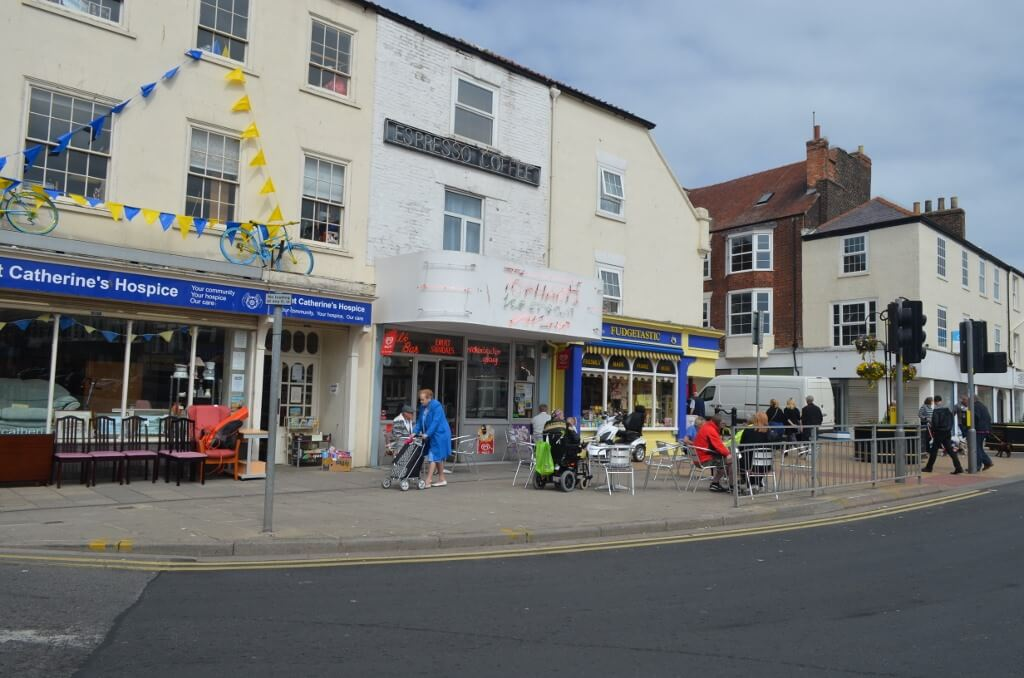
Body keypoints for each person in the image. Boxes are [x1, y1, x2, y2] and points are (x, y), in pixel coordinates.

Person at [413, 388, 452, 488]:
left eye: (423, 400)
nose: (421, 402)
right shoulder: (423, 407)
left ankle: (428, 480)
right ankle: (442, 479)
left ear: (429, 398)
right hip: (432, 434)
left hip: (440, 434)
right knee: (437, 456)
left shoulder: (436, 406)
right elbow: (419, 421)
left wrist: (427, 434)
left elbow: (436, 422)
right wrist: (414, 433)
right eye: (420, 400)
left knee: (433, 456)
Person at [692, 414, 734, 492]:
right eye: (723, 424)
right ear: (718, 423)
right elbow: (718, 445)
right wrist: (728, 454)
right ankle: (731, 486)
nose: (724, 425)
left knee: (723, 461)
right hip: (704, 459)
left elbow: (715, 445)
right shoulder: (711, 430)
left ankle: (716, 484)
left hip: (698, 458)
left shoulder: (707, 427)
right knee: (730, 461)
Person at [923, 395, 963, 474]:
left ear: (935, 401)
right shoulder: (947, 410)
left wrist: (933, 427)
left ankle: (929, 467)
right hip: (947, 432)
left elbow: (935, 423)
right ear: (941, 400)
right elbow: (951, 420)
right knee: (950, 450)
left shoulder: (936, 411)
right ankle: (958, 467)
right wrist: (948, 429)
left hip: (939, 432)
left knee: (934, 450)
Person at [960, 395, 995, 471]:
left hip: (978, 430)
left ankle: (976, 466)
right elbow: (988, 418)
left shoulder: (974, 407)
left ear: (972, 400)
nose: (967, 402)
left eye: (968, 400)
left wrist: (969, 426)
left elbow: (974, 418)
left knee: (976, 448)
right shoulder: (983, 406)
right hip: (984, 430)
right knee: (979, 448)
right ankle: (987, 462)